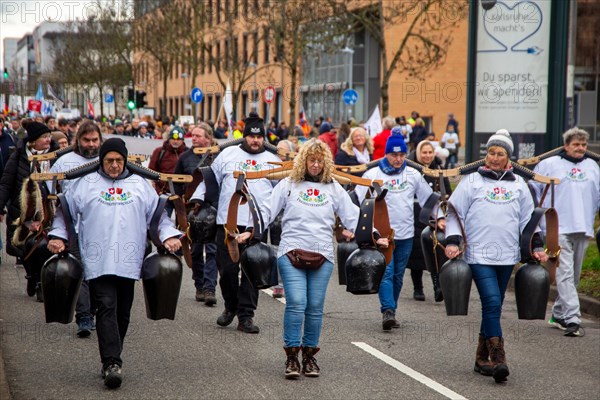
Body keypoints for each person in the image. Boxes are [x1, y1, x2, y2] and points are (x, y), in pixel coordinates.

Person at [237, 139, 382, 378]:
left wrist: (375, 235)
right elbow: (265, 210)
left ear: (325, 163)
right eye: (311, 160)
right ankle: (292, 357)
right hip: (290, 252)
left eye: (319, 160)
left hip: (322, 255)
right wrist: (249, 231)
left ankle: (309, 357)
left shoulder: (334, 187)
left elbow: (353, 215)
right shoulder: (288, 184)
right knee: (296, 302)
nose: (315, 165)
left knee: (315, 308)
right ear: (302, 161)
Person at [47, 138, 182, 389]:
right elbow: (64, 215)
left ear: (125, 159)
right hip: (97, 260)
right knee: (106, 306)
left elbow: (158, 216)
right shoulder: (84, 183)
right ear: (101, 160)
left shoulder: (140, 184)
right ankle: (112, 362)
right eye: (109, 160)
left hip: (129, 261)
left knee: (123, 312)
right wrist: (58, 237)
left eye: (119, 160)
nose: (114, 165)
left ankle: (112, 355)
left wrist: (169, 236)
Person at [444, 129, 548, 383]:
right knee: (491, 302)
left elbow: (529, 220)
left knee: (495, 305)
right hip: (479, 254)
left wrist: (536, 246)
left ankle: (481, 358)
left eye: (499, 153)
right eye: (491, 152)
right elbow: (454, 212)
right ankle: (498, 358)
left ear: (508, 158)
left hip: (507, 255)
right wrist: (453, 240)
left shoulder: (518, 185)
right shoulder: (472, 182)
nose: (493, 157)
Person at [191, 112, 280, 334]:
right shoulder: (227, 154)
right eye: (251, 136)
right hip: (227, 224)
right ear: (244, 136)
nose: (256, 141)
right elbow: (209, 180)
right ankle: (230, 306)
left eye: (260, 137)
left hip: (257, 226)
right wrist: (198, 199)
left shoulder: (274, 160)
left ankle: (246, 317)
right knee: (228, 272)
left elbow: (284, 191)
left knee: (252, 272)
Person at [355, 135, 440, 331]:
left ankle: (391, 310)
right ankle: (388, 310)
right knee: (387, 272)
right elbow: (356, 199)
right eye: (394, 155)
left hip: (407, 234)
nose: (398, 159)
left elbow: (429, 199)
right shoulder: (373, 174)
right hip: (384, 235)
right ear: (386, 154)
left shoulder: (413, 174)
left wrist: (440, 218)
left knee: (399, 275)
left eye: (402, 155)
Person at [532, 127, 599, 337]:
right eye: (576, 144)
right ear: (566, 146)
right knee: (565, 273)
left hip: (583, 226)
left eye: (583, 145)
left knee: (574, 276)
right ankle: (573, 319)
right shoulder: (549, 164)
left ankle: (559, 313)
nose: (580, 148)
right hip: (556, 227)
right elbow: (533, 191)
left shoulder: (592, 166)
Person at [47, 121, 103, 337]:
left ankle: (96, 311)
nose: (91, 144)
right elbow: (50, 191)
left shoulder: (108, 160)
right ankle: (84, 317)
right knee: (80, 270)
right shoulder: (65, 162)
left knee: (97, 273)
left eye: (95, 140)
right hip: (74, 226)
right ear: (78, 140)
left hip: (101, 227)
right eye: (86, 140)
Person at [0, 121, 58, 285]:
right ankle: (32, 275)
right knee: (24, 247)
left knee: (45, 247)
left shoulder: (56, 156)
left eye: (49, 136)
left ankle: (41, 282)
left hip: (48, 211)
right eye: (44, 137)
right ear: (33, 141)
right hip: (22, 211)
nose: (48, 140)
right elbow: (6, 183)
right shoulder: (18, 156)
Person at [174, 124, 218, 306]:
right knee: (196, 251)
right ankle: (199, 285)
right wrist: (179, 208)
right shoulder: (185, 157)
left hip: (213, 209)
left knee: (213, 250)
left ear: (208, 138)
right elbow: (176, 183)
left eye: (199, 136)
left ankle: (210, 288)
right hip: (193, 211)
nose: (195, 138)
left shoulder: (218, 156)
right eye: (193, 135)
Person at [406, 140, 452, 302]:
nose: (427, 155)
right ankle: (418, 288)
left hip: (435, 218)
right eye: (424, 152)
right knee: (416, 255)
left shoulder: (439, 169)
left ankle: (437, 285)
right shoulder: (410, 171)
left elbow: (447, 192)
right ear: (418, 154)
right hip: (415, 215)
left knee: (435, 252)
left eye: (429, 152)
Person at [148, 126, 188, 215]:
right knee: (163, 222)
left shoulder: (187, 153)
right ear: (169, 139)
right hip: (164, 195)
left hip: (182, 197)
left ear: (182, 140)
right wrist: (158, 191)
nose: (175, 141)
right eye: (173, 139)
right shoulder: (159, 152)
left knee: (183, 225)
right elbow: (151, 172)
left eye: (178, 139)